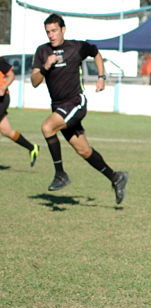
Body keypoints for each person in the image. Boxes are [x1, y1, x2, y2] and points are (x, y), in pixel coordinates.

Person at [31, 13, 128, 203]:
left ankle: (60, 174)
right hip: (59, 107)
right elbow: (35, 81)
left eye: (54, 31)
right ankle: (116, 177)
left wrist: (101, 77)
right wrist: (46, 66)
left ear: (63, 30)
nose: (51, 35)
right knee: (83, 150)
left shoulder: (76, 47)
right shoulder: (42, 51)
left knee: (47, 127)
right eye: (48, 32)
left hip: (76, 102)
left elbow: (96, 53)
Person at [0, 56, 39, 166]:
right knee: (6, 131)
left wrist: (3, 88)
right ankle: (32, 148)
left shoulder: (0, 62)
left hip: (2, 99)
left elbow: (11, 76)